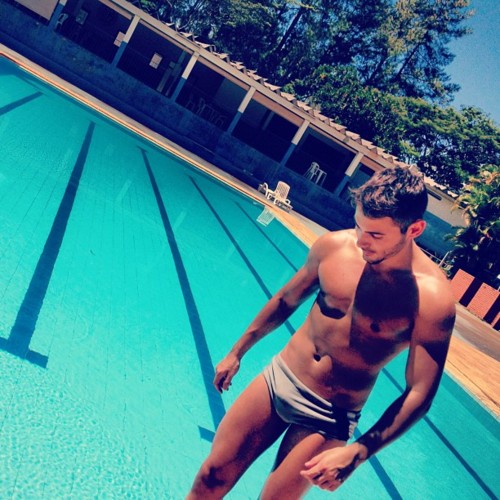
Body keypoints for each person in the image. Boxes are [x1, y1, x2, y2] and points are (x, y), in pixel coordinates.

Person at [186, 166, 455, 499]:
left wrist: (359, 452)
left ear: (414, 229)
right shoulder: (334, 247)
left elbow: (420, 393)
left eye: (375, 235)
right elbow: (285, 300)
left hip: (329, 415)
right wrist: (237, 352)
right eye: (358, 225)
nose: (361, 240)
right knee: (210, 477)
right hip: (278, 379)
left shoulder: (431, 299)